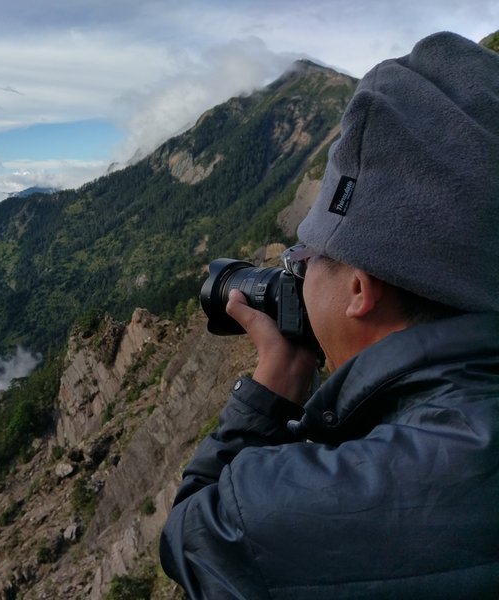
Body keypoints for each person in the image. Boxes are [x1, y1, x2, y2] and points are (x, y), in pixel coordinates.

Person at [160, 31, 499, 599]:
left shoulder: (347, 493)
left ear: (361, 288)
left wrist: (273, 388)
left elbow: (194, 538)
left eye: (306, 256)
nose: (293, 271)